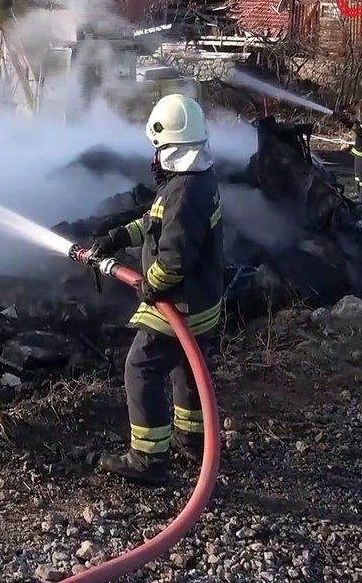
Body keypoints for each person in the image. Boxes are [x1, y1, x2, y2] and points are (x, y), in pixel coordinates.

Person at [87, 94, 225, 486]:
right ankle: (194, 438)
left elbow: (175, 259)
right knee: (187, 369)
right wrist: (118, 237)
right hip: (202, 300)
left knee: (140, 368)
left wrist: (150, 285)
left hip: (181, 302)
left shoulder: (184, 193)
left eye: (158, 146)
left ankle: (148, 459)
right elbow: (154, 221)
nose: (154, 155)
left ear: (172, 145)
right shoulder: (193, 179)